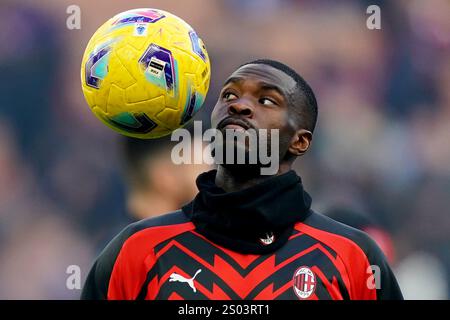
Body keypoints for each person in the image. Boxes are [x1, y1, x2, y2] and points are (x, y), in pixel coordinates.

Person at [81, 59, 403, 300]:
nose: (239, 105)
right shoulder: (135, 251)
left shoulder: (352, 256)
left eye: (266, 100)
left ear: (299, 141)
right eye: (229, 95)